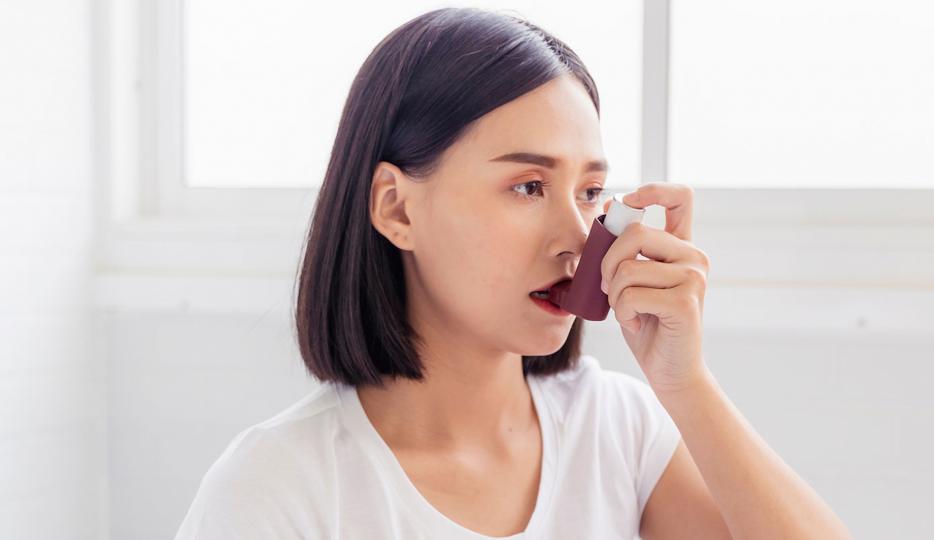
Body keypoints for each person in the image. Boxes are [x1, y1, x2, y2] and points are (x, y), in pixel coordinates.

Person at [175, 7, 851, 539]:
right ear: (396, 207)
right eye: (528, 186)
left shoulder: (614, 429)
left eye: (589, 193)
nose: (577, 238)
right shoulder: (280, 485)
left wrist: (685, 383)